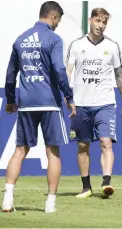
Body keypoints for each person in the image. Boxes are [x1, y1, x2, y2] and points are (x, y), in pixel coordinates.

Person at [2, 1, 75, 213]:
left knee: (19, 151)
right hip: (50, 103)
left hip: (26, 103)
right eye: (58, 21)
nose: (58, 25)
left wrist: (10, 100)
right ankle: (50, 204)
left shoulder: (20, 39)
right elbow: (58, 70)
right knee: (53, 151)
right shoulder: (53, 38)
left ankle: (7, 199)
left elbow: (10, 74)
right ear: (53, 17)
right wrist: (69, 96)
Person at [66, 8, 122, 199]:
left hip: (105, 102)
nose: (101, 25)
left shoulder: (112, 46)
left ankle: (106, 182)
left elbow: (119, 75)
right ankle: (86, 187)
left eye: (104, 22)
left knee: (106, 142)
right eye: (98, 21)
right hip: (81, 103)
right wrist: (67, 95)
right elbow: (68, 71)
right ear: (90, 20)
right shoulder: (76, 45)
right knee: (82, 146)